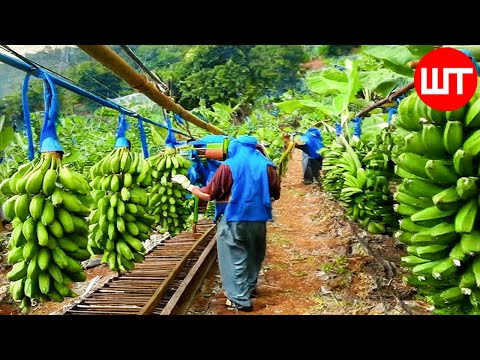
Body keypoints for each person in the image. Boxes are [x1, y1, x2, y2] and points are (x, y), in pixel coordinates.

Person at [171, 135, 281, 312]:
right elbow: (275, 192)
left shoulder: (228, 166)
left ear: (235, 148)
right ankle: (249, 289)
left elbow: (208, 195)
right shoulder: (268, 166)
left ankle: (239, 299)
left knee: (233, 257)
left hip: (234, 219)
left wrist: (187, 185)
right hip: (259, 220)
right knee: (254, 255)